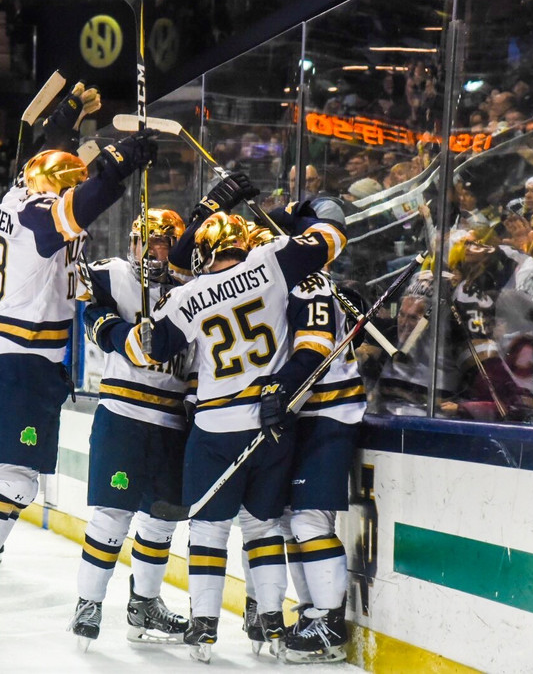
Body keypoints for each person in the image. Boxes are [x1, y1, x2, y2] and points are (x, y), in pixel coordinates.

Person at [0, 82, 157, 645]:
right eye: (67, 181)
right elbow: (80, 200)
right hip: (20, 359)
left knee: (18, 481)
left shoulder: (20, 195)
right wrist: (119, 163)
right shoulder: (36, 214)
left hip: (30, 362)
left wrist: (73, 115)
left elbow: (52, 159)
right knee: (10, 478)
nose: (73, 186)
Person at [86, 209, 347, 663]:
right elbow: (331, 237)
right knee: (264, 527)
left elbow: (154, 347)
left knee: (208, 529)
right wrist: (299, 217)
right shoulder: (271, 261)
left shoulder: (190, 292)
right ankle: (269, 620)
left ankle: (204, 626)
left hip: (215, 427)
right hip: (272, 424)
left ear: (203, 253)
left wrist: (122, 323)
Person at [68, 209, 192, 650]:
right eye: (146, 241)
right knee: (111, 516)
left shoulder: (194, 291)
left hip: (173, 421)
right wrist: (122, 335)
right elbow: (91, 312)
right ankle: (88, 604)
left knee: (161, 520)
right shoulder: (116, 275)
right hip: (122, 415)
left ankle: (145, 605)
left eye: (163, 243)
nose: (152, 251)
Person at [262, 270, 366, 663]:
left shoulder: (311, 284)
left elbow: (315, 351)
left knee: (308, 519)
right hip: (303, 412)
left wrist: (277, 388)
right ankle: (311, 614)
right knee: (291, 519)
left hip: (330, 409)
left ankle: (329, 623)